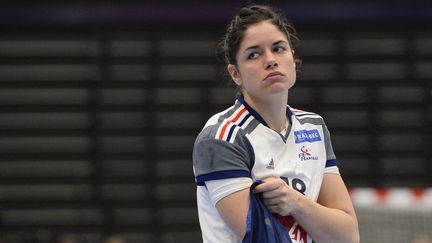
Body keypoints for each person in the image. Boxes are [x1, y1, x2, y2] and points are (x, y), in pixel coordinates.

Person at [192, 5, 360, 243]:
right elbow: (262, 239)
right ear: (235, 73)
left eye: (278, 49)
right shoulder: (221, 137)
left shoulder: (313, 127)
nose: (270, 60)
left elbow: (348, 236)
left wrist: (296, 202)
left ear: (292, 57)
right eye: (253, 54)